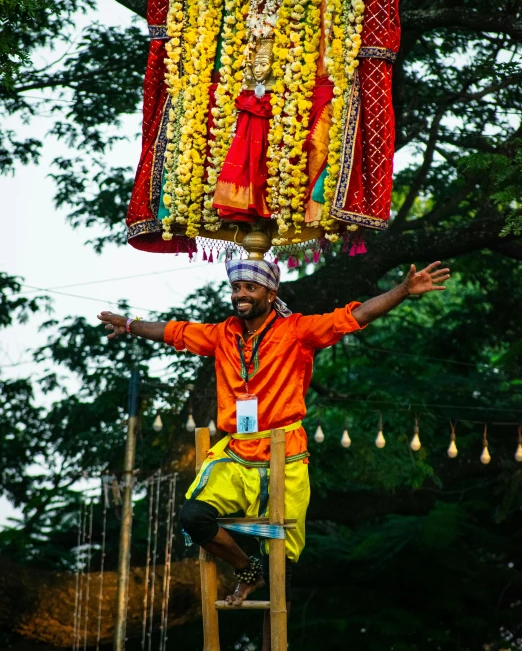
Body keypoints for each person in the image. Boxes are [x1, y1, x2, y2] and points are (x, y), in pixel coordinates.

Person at [98, 257, 449, 649]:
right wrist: (128, 325)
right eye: (235, 288)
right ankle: (248, 571)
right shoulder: (222, 334)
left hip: (286, 454)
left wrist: (402, 290)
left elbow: (356, 316)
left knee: (282, 569)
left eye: (249, 288)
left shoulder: (297, 330)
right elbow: (174, 332)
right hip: (235, 453)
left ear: (271, 292)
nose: (240, 295)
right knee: (194, 517)